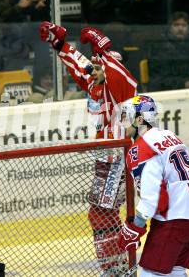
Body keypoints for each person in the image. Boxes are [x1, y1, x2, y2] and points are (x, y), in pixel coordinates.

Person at [40, 21, 138, 276]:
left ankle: (117, 267)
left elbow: (122, 77)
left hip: (119, 159)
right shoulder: (98, 84)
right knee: (102, 214)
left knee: (101, 213)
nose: (92, 71)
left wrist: (103, 50)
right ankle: (118, 265)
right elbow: (80, 67)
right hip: (106, 161)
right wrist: (59, 44)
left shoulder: (121, 87)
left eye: (98, 67)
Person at [117, 94, 189, 276]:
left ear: (139, 120)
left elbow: (154, 197)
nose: (123, 123)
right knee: (175, 271)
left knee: (151, 272)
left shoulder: (139, 149)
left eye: (127, 116)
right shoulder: (168, 135)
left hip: (178, 217)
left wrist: (135, 227)